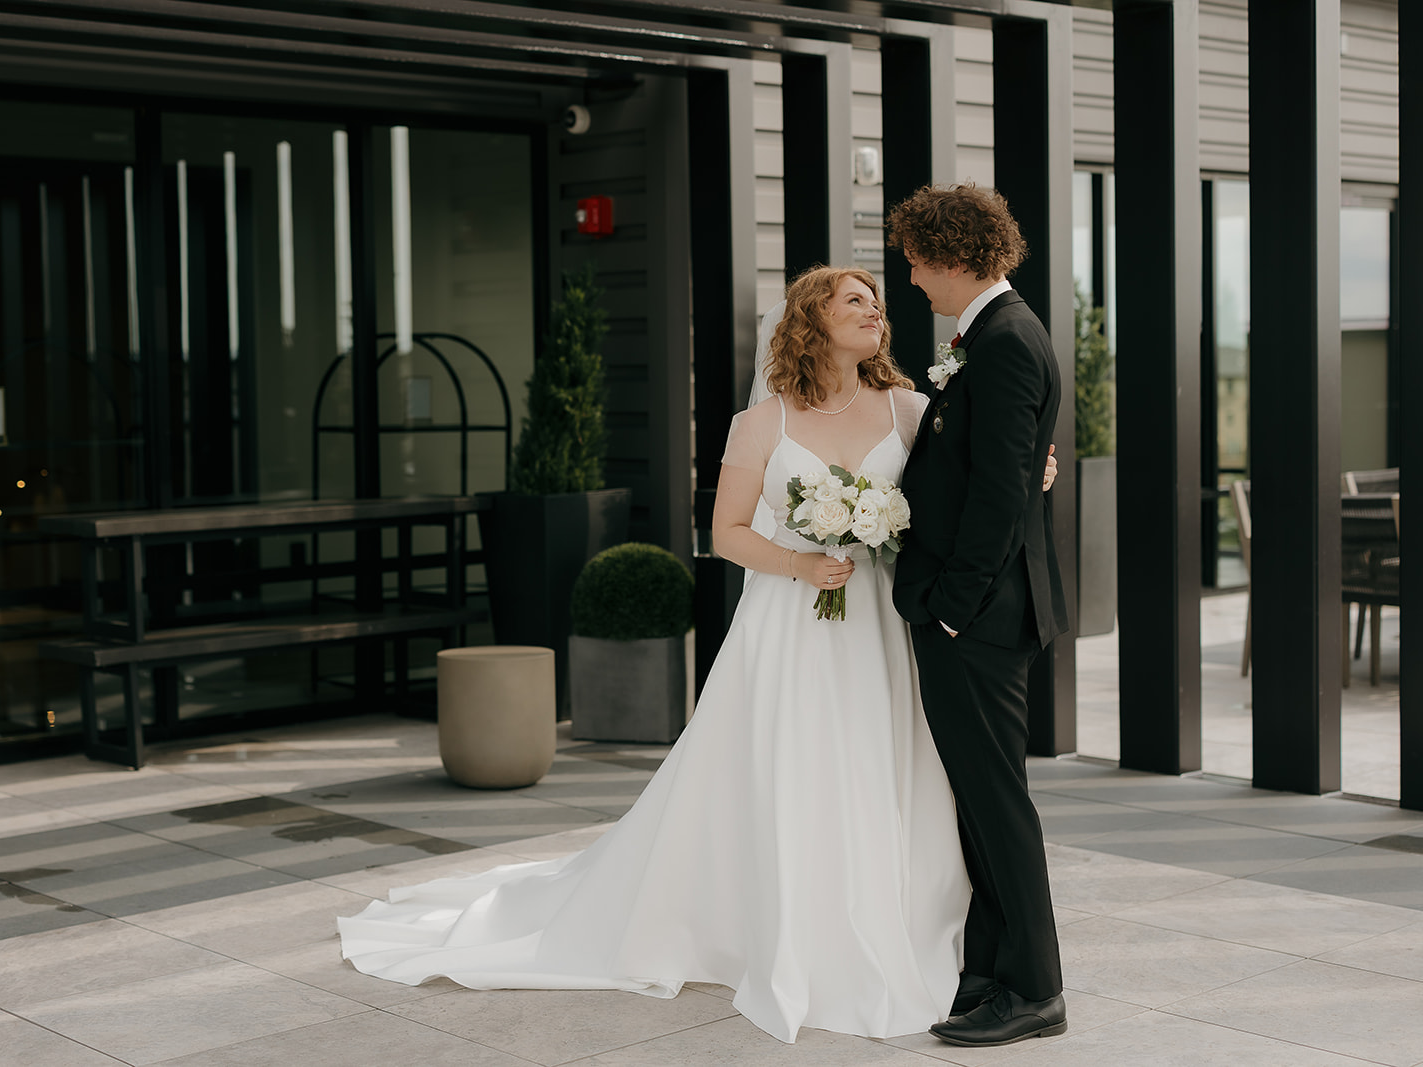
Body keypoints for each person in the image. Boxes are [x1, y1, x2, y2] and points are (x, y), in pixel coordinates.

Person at [337, 265, 1056, 1044]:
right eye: (856, 300)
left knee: (888, 766)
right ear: (811, 320)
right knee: (793, 772)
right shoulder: (761, 424)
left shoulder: (912, 408)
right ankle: (793, 926)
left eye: (879, 301)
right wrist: (803, 563)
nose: (877, 311)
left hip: (881, 626)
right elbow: (727, 535)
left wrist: (1033, 470)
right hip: (792, 627)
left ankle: (907, 923)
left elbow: (977, 475)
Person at [887, 184, 1072, 1048]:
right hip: (981, 611)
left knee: (997, 803)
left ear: (955, 254)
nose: (914, 277)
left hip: (981, 617)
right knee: (979, 801)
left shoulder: (1002, 342)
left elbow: (1001, 491)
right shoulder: (991, 335)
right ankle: (991, 970)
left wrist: (954, 607)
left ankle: (1034, 990)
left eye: (918, 260)